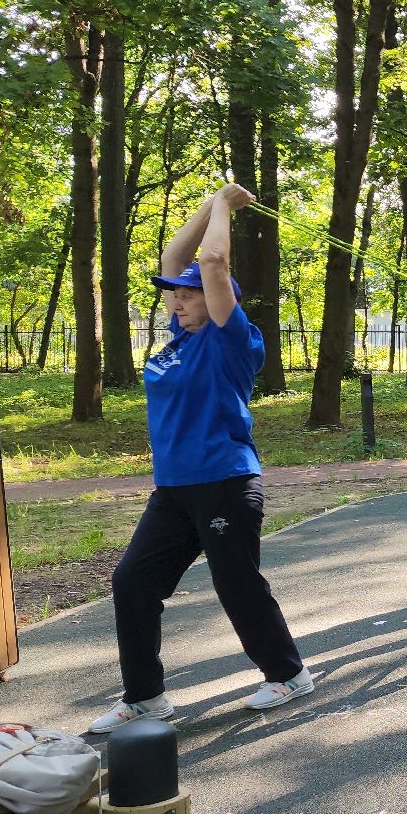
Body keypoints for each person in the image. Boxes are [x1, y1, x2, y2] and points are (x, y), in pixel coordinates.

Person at [88, 185, 314, 735]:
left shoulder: (228, 338)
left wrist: (224, 209)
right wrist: (210, 199)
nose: (175, 298)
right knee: (133, 582)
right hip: (174, 491)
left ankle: (289, 674)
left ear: (215, 301)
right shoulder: (180, 338)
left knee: (236, 583)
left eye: (186, 295)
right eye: (173, 296)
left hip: (225, 482)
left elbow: (210, 261)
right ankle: (145, 697)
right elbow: (175, 260)